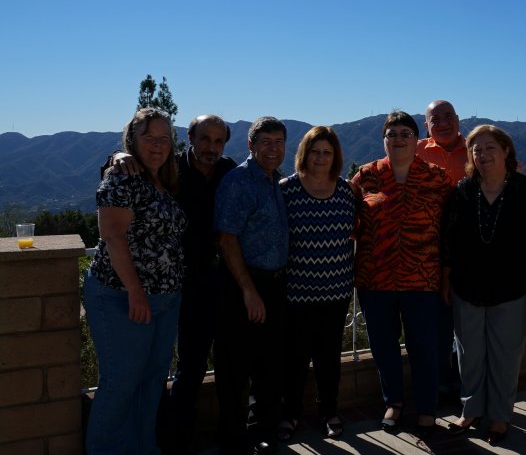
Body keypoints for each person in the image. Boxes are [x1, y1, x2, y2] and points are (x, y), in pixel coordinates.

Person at [107, 114, 237, 453]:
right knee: (188, 365)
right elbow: (124, 175)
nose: (211, 147)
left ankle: (230, 435)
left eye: (219, 141)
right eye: (205, 138)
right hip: (180, 284)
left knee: (229, 363)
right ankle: (177, 437)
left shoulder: (228, 170)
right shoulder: (171, 168)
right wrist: (116, 156)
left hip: (221, 281)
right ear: (190, 138)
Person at [84, 108, 186, 453]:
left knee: (151, 382)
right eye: (149, 137)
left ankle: (143, 447)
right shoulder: (122, 178)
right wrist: (136, 291)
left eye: (164, 138)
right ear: (132, 140)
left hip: (164, 299)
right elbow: (112, 236)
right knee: (121, 383)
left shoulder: (162, 179)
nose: (157, 145)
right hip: (121, 297)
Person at [351, 110, 452, 434]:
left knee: (425, 346)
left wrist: (447, 276)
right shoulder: (366, 176)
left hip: (423, 279)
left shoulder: (436, 178)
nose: (398, 139)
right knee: (384, 347)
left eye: (405, 133)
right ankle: (393, 402)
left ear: (417, 139)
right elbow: (348, 221)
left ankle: (426, 407)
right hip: (375, 279)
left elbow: (450, 230)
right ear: (384, 140)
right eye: (391, 134)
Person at [441, 125, 526, 445]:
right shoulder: (463, 190)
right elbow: (449, 239)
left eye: (490, 147)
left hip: (512, 289)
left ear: (506, 150)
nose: (483, 155)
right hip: (467, 287)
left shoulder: (525, 190)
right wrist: (446, 280)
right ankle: (470, 410)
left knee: (505, 358)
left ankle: (499, 416)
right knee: (469, 356)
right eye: (476, 149)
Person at [214, 116, 289, 455]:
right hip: (243, 285)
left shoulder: (274, 180)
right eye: (266, 142)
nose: (273, 149)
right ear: (251, 145)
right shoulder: (239, 181)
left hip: (273, 284)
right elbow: (227, 239)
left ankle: (263, 432)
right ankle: (233, 441)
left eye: (279, 142)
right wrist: (248, 290)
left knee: (268, 365)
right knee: (236, 368)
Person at [277, 126, 356, 441]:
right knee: (294, 358)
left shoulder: (346, 191)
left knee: (329, 358)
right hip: (295, 293)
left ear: (335, 156)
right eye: (315, 152)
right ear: (304, 154)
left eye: (327, 152)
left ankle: (329, 412)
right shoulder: (287, 190)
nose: (321, 158)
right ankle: (290, 413)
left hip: (337, 292)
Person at [416, 99, 468, 400]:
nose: (443, 123)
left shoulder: (475, 149)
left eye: (448, 116)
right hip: (426, 252)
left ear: (458, 119)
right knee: (435, 322)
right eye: (436, 119)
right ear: (427, 126)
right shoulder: (416, 151)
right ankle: (439, 382)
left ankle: (465, 384)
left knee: (466, 322)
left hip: (469, 251)